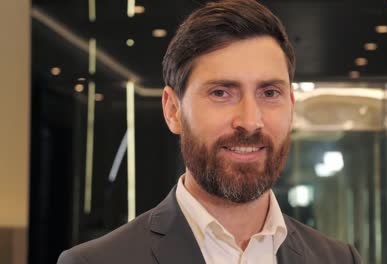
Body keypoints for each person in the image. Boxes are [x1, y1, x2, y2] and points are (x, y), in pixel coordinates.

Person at [57, 0, 362, 263]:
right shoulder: (95, 262)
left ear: (291, 106)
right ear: (173, 110)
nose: (250, 121)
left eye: (269, 93)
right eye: (221, 93)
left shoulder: (339, 259)